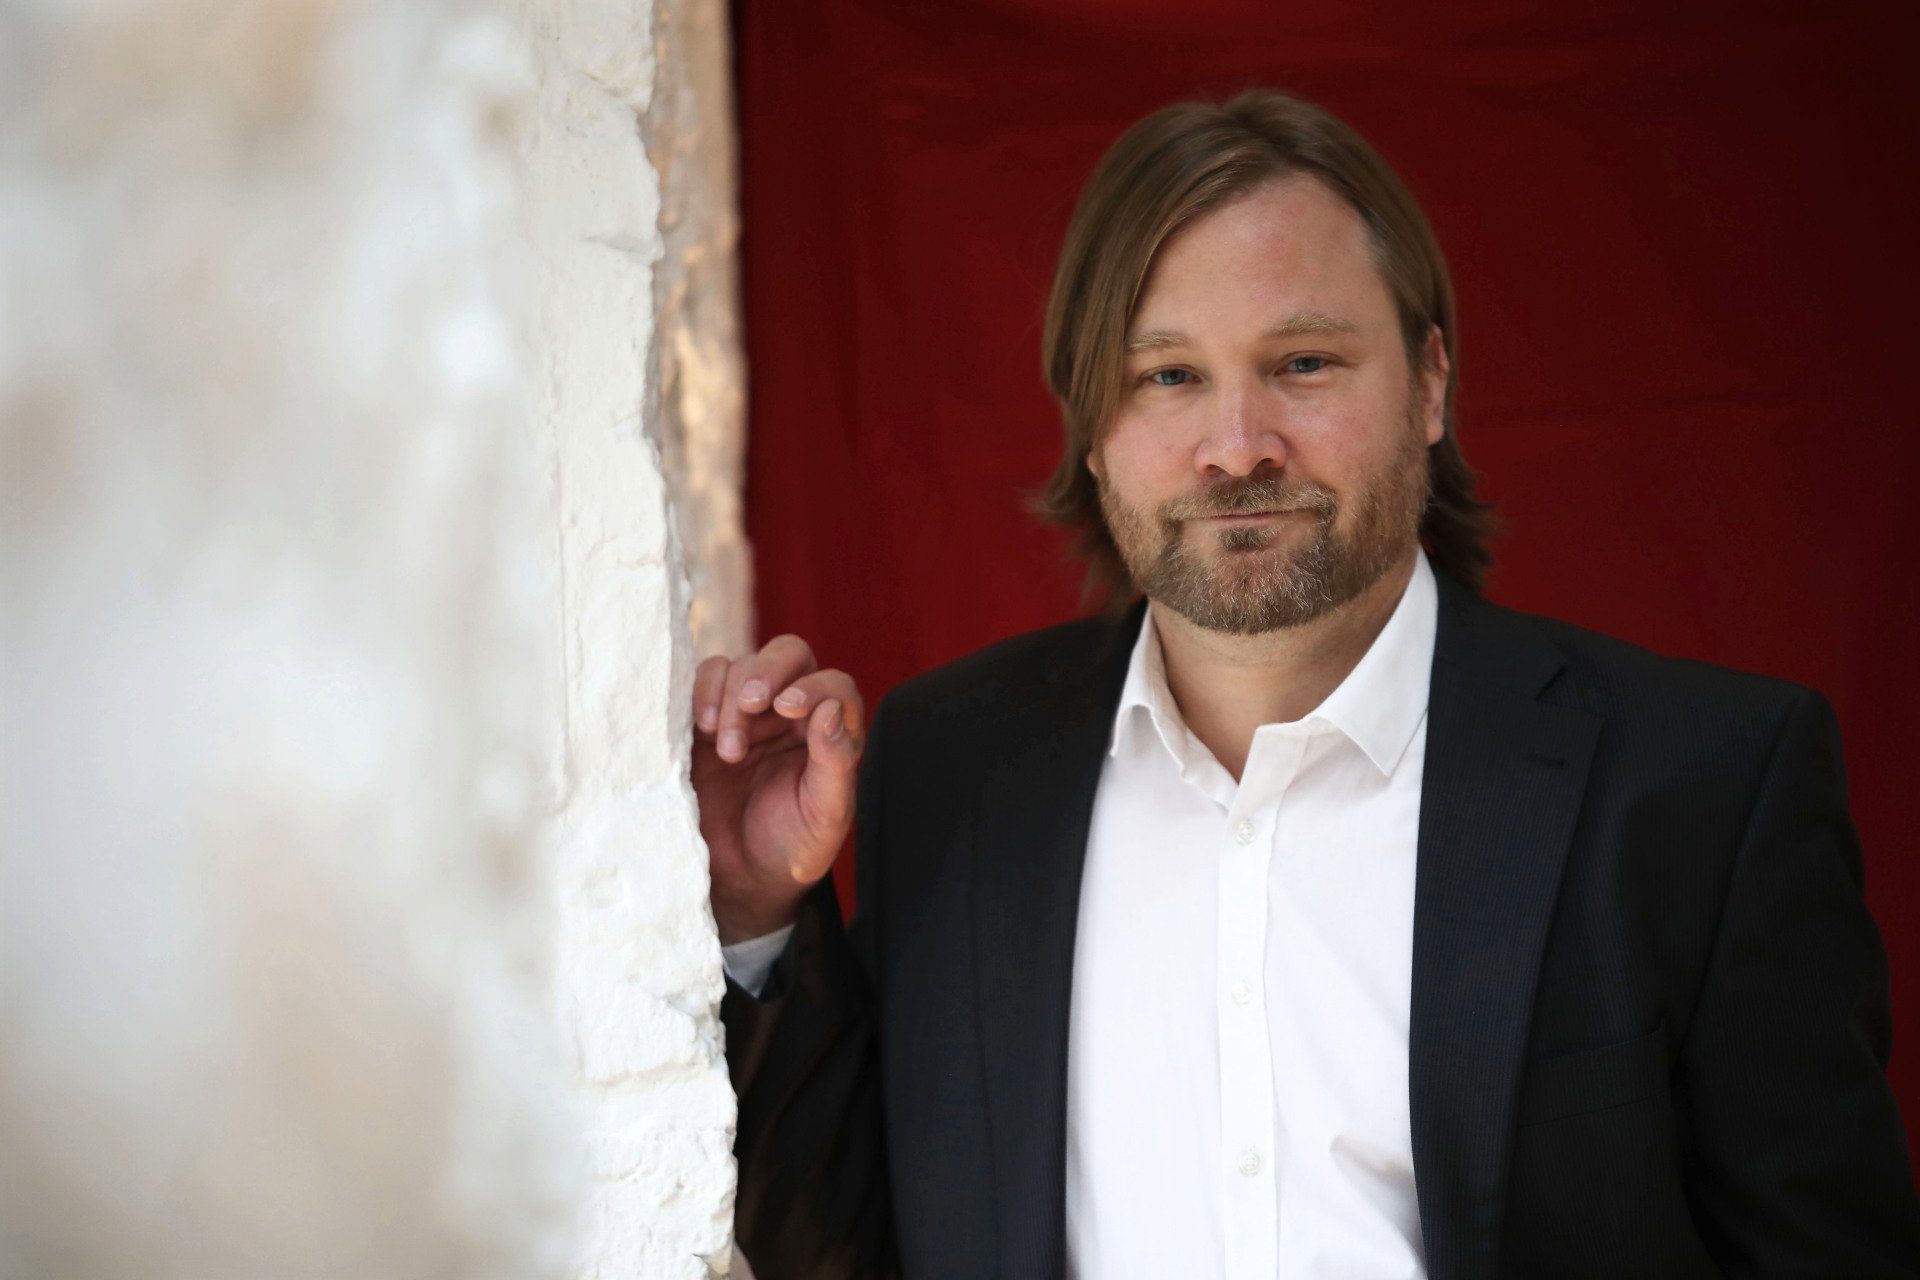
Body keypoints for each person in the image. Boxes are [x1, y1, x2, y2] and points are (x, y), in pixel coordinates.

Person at [691, 88, 1920, 1280]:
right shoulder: (949, 767)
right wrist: (755, 913)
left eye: (1305, 361)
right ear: (1092, 429)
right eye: (1167, 375)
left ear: (1429, 382)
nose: (1238, 446)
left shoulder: (1706, 784)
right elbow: (851, 1252)